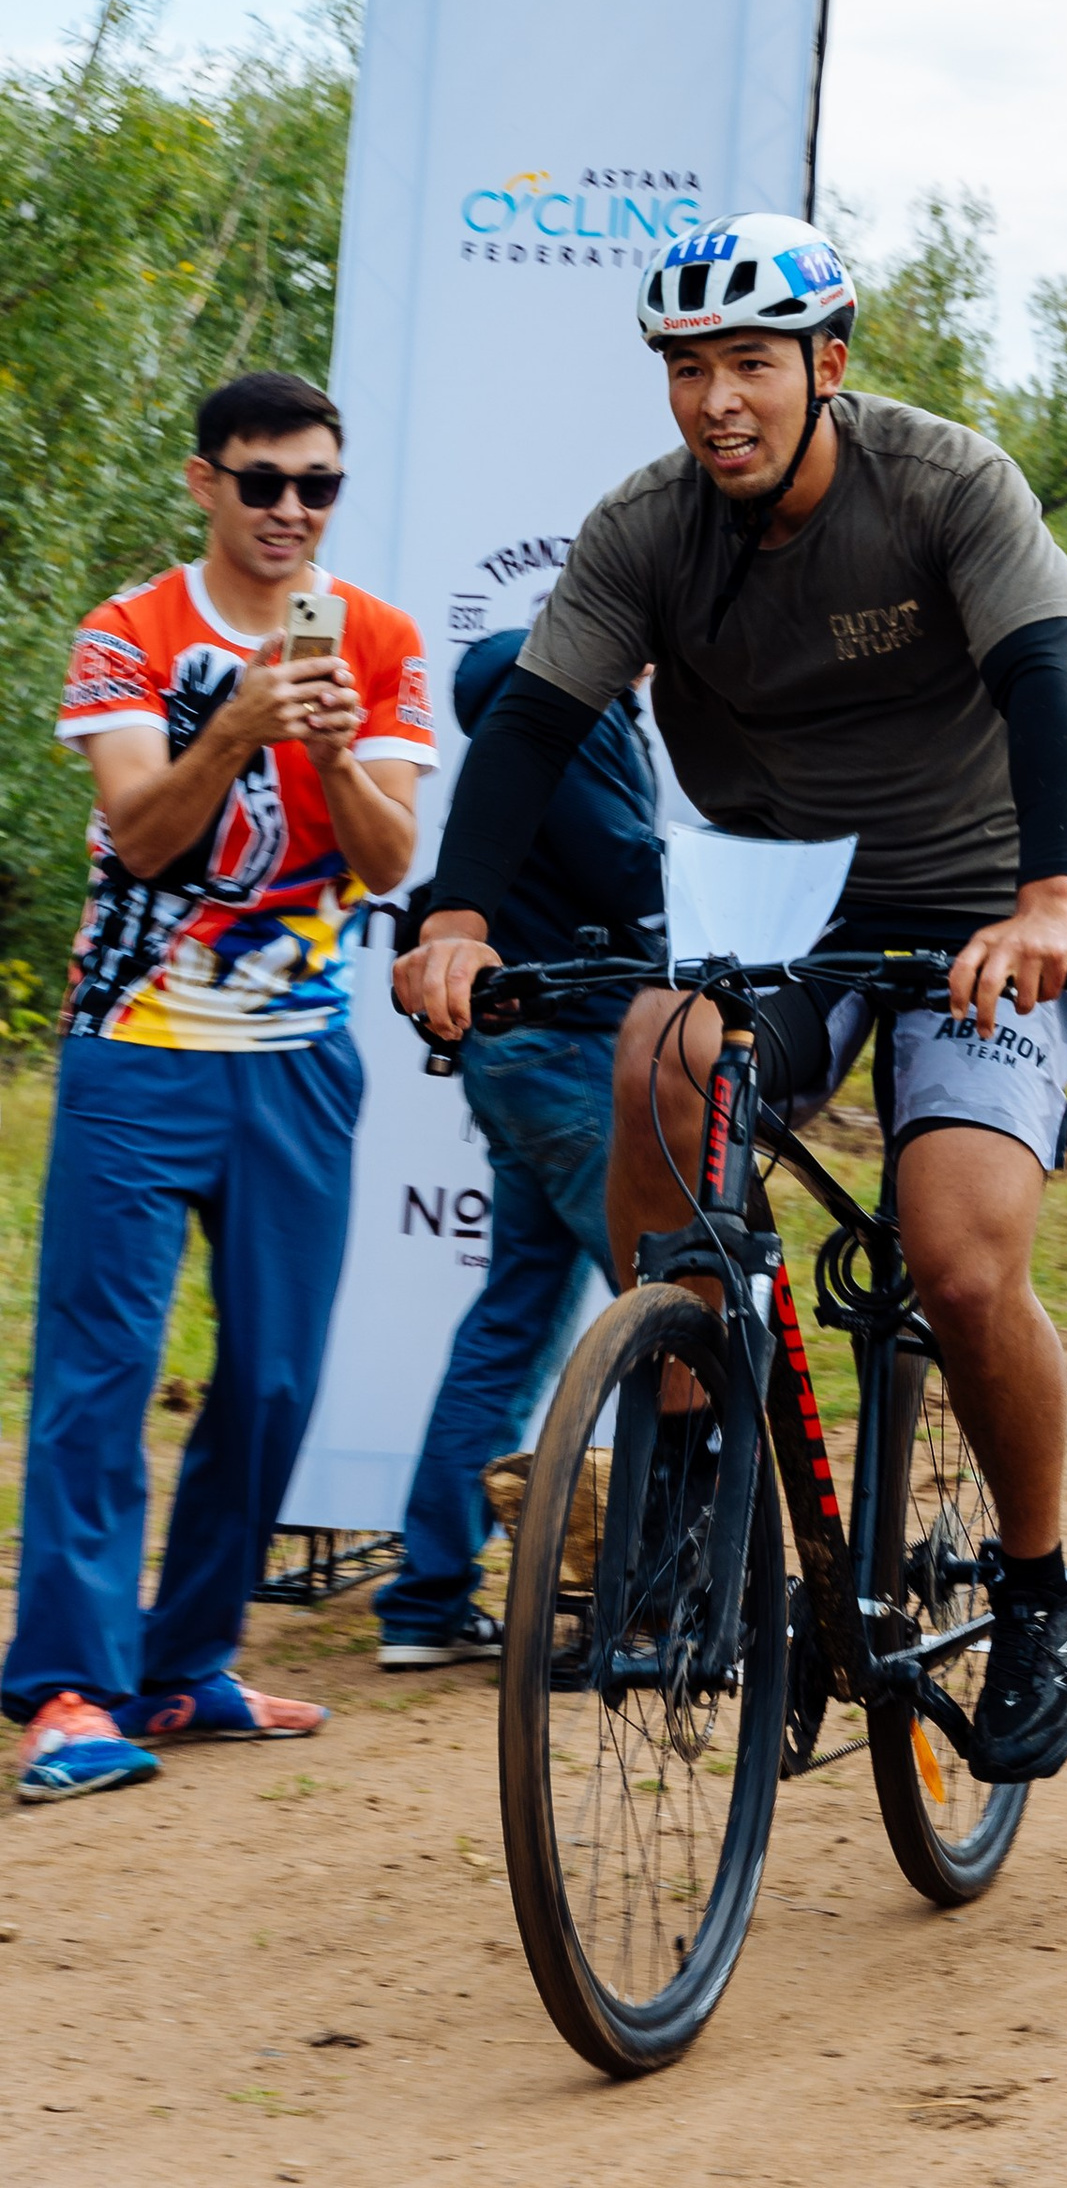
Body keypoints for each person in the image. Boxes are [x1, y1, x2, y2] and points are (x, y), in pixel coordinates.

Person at [397, 212, 1067, 1779]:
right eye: (688, 367)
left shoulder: (941, 482)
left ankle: (1042, 1593)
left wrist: (1048, 898)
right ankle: (696, 1460)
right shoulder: (645, 529)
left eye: (751, 365)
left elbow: (1046, 677)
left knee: (957, 1254)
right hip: (784, 902)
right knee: (660, 1044)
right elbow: (529, 725)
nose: (718, 398)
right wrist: (455, 916)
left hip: (977, 910)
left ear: (825, 367)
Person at [9, 371, 432, 1803]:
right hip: (138, 1048)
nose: (293, 511)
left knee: (273, 1378)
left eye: (320, 485)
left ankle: (183, 1669)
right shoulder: (129, 632)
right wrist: (241, 723)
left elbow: (388, 863)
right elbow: (138, 834)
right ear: (206, 484)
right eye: (264, 483)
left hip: (299, 1063)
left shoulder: (377, 639)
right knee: (99, 1374)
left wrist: (325, 744)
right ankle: (68, 1688)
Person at [374, 626, 668, 1666]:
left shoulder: (519, 706)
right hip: (575, 1050)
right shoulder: (572, 708)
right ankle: (650, 1599)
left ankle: (427, 1602)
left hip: (513, 1051)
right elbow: (624, 862)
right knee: (673, 1316)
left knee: (510, 1324)